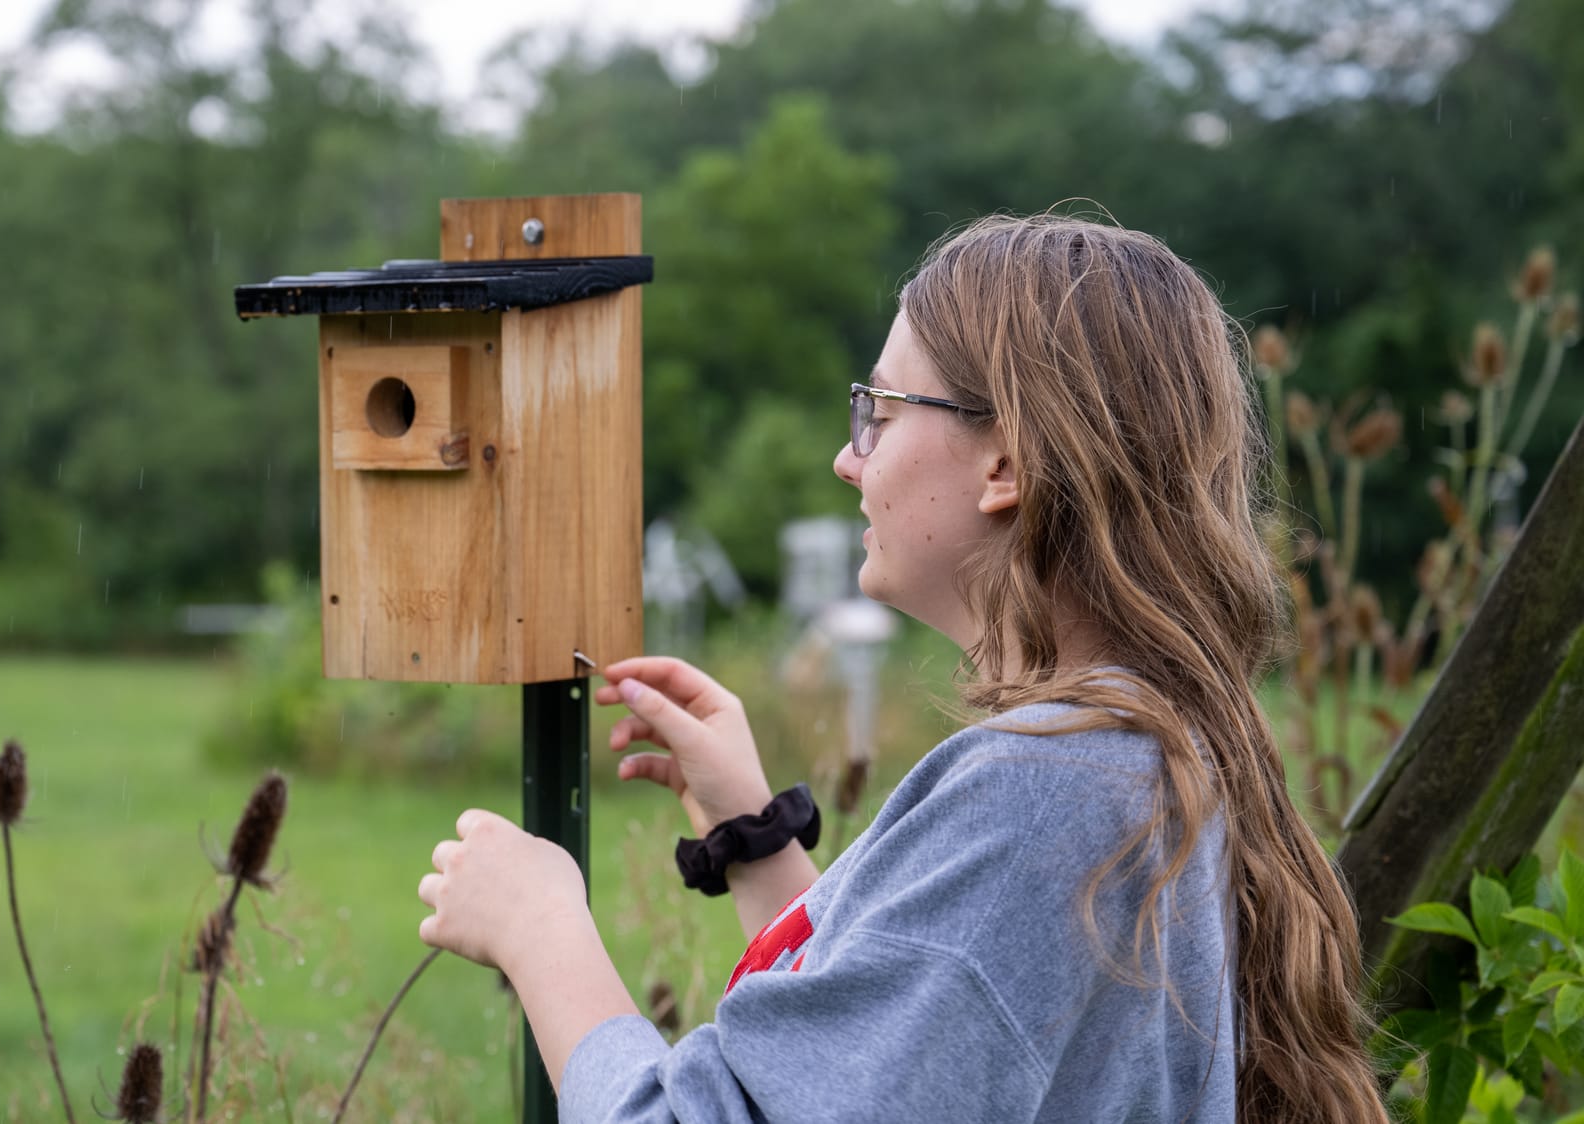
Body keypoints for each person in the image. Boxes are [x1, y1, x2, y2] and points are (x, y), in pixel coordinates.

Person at [415, 213, 1387, 1122]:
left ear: (1003, 462)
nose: (850, 458)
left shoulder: (1042, 790)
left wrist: (539, 928)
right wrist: (752, 839)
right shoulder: (1130, 753)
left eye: (875, 407)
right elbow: (927, 1047)